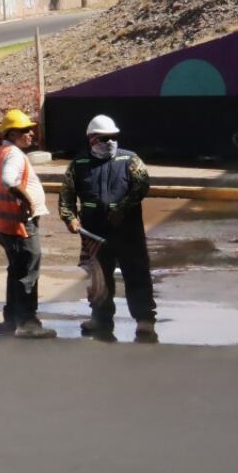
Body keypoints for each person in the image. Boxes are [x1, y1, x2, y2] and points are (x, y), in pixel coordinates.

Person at [58, 115, 157, 343]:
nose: (110, 142)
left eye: (113, 138)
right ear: (92, 140)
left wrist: (122, 207)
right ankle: (100, 318)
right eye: (104, 138)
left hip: (127, 232)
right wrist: (69, 218)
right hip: (94, 232)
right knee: (99, 278)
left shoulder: (130, 160)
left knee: (137, 274)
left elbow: (142, 185)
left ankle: (144, 320)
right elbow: (67, 195)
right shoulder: (79, 164)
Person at [0, 109, 55, 339]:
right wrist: (27, 199)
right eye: (26, 131)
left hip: (9, 224)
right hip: (21, 225)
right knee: (27, 271)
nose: (31, 134)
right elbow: (7, 180)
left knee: (16, 271)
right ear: (13, 133)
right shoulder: (13, 153)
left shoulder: (2, 151)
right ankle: (27, 322)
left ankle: (12, 317)